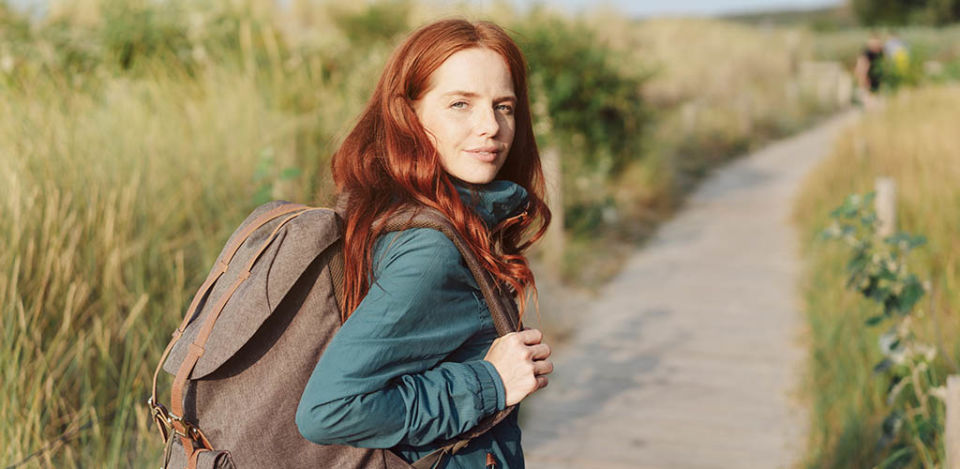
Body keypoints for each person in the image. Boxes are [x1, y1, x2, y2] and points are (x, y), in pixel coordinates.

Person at [295, 19, 554, 468]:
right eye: (460, 104)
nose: (489, 126)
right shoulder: (432, 249)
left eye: (504, 107)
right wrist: (491, 381)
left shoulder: (392, 209)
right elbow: (328, 410)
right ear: (408, 115)